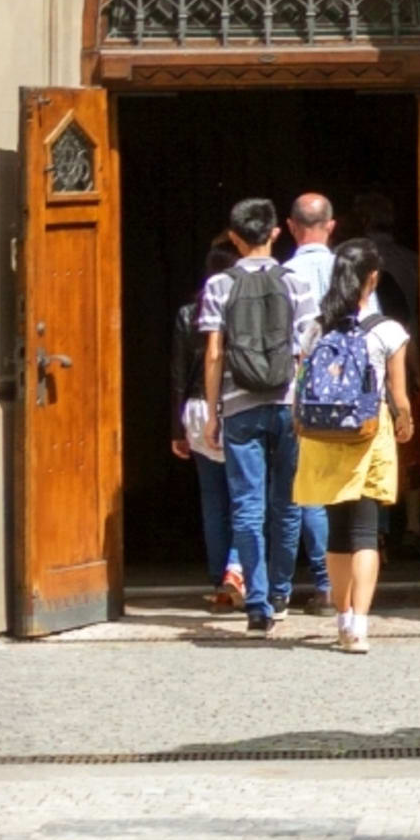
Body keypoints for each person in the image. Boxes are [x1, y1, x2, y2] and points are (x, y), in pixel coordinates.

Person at [290, 239, 415, 653]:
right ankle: (358, 625)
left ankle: (341, 616)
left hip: (323, 438)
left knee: (337, 533)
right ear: (372, 279)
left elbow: (300, 385)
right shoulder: (387, 330)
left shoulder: (315, 327)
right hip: (366, 433)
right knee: (365, 532)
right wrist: (405, 423)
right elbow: (398, 394)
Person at [207, 195, 302, 634]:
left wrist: (213, 413)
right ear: (276, 233)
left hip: (240, 405)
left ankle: (258, 606)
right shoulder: (295, 280)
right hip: (287, 404)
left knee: (247, 508)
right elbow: (306, 348)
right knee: (287, 503)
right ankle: (282, 593)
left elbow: (213, 354)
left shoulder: (219, 286)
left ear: (233, 237)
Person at [276, 187, 339, 609]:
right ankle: (337, 583)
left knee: (300, 490)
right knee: (341, 489)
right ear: (331, 227)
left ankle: (293, 588)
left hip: (300, 391)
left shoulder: (282, 275)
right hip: (349, 394)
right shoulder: (349, 271)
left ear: (291, 228)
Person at [181, 231, 247, 603]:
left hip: (195, 409)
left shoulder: (187, 313)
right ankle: (236, 573)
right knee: (246, 494)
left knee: (213, 498)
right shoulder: (242, 307)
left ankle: (217, 576)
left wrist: (176, 428)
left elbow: (177, 373)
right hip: (234, 403)